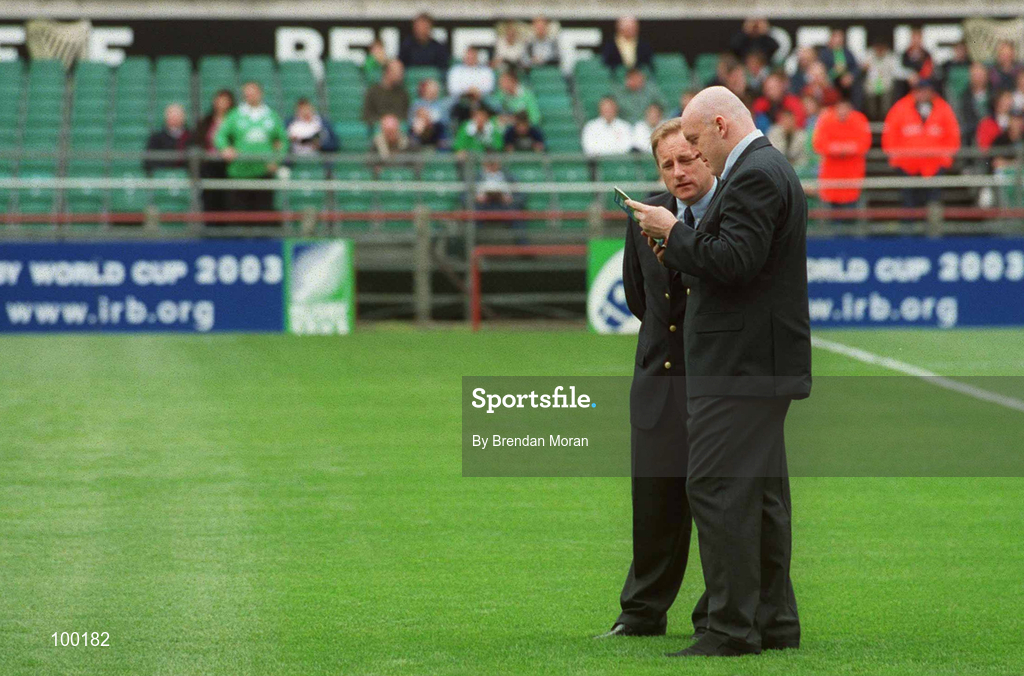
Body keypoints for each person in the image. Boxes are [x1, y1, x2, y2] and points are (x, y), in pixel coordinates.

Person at [628, 85, 811, 658]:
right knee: (759, 495)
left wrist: (674, 232)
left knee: (715, 487)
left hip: (739, 367)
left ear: (721, 125)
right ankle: (774, 622)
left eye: (698, 141)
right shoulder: (768, 167)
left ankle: (730, 628)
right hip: (758, 363)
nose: (696, 155)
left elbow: (735, 261)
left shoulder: (753, 174)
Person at [594, 117, 717, 642]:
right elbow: (637, 295)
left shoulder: (727, 212)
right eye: (667, 164)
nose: (677, 172)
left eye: (687, 159)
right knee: (652, 508)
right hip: (656, 381)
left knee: (718, 508)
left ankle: (718, 614)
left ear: (707, 157)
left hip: (710, 385)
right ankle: (641, 614)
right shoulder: (644, 212)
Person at [881, 79, 961, 209]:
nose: (922, 94)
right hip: (906, 166)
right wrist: (897, 160)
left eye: (926, 91)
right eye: (919, 91)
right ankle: (910, 228)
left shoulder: (943, 109)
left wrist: (944, 160)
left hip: (934, 166)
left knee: (933, 205)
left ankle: (931, 229)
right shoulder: (900, 108)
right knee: (908, 206)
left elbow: (953, 136)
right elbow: (889, 136)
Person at [214, 81, 286, 220]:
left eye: (253, 93)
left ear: (260, 94)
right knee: (238, 216)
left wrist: (276, 160)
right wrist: (225, 149)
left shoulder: (271, 115)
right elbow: (220, 136)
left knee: (263, 216)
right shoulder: (235, 115)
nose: (250, 96)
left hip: (263, 173)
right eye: (247, 93)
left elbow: (283, 140)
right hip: (239, 173)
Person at [812, 93, 872, 212]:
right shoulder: (826, 120)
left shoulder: (859, 120)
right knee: (834, 219)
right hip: (831, 177)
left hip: (852, 176)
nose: (843, 111)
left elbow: (864, 144)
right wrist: (842, 149)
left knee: (850, 215)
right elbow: (818, 144)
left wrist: (838, 149)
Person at [196, 89, 235, 215]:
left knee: (229, 200)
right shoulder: (206, 121)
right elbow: (198, 141)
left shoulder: (236, 121)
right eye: (219, 99)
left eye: (225, 100)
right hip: (209, 167)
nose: (222, 103)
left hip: (230, 166)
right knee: (211, 200)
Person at [143, 103, 193, 175]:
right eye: (171, 114)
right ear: (166, 117)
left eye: (177, 115)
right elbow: (148, 161)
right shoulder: (156, 138)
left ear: (183, 117)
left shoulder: (192, 137)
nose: (174, 118)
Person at [863, 39, 901, 122]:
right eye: (877, 48)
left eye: (881, 48)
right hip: (871, 86)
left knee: (886, 104)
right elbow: (862, 67)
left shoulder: (891, 57)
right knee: (871, 106)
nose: (879, 51)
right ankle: (871, 120)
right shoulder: (869, 55)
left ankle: (885, 120)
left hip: (886, 86)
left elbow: (897, 72)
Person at [363, 59, 410, 125]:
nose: (401, 75)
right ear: (387, 72)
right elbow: (367, 116)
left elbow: (406, 115)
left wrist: (393, 121)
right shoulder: (373, 92)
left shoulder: (403, 93)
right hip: (379, 130)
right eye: (397, 72)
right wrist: (384, 121)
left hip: (398, 130)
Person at [959, 62, 991, 146]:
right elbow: (964, 117)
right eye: (975, 75)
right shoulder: (964, 97)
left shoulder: (994, 95)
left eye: (981, 74)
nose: (978, 78)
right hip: (972, 135)